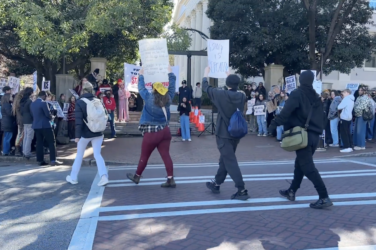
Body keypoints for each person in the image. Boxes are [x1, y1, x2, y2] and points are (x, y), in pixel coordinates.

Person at [268, 70, 332, 209]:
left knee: (308, 168)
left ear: (301, 80)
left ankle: (324, 196)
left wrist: (273, 125)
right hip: (314, 136)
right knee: (300, 165)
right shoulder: (316, 96)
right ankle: (292, 191)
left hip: (302, 135)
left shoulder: (297, 94)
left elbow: (286, 112)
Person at [202, 67, 249, 200]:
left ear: (227, 84)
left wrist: (205, 75)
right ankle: (216, 184)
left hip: (223, 133)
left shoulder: (221, 94)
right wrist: (230, 77)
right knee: (225, 160)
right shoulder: (242, 95)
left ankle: (241, 189)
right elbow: (238, 89)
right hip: (236, 133)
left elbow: (206, 87)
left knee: (230, 161)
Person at [127, 66, 176, 187]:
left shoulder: (149, 98)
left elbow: (141, 88)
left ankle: (137, 176)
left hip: (152, 132)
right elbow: (172, 86)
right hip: (165, 131)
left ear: (154, 89)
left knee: (144, 156)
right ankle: (170, 179)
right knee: (166, 155)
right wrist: (170, 73)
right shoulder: (168, 98)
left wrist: (141, 75)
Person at [66, 81, 109, 187]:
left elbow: (78, 121)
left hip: (85, 133)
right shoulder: (98, 100)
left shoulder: (80, 102)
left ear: (82, 90)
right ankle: (104, 177)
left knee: (79, 155)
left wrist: (76, 136)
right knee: (98, 155)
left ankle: (73, 177)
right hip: (98, 132)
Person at [30, 91, 59, 166]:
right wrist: (53, 117)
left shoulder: (32, 103)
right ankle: (53, 160)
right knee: (51, 142)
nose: (46, 98)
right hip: (45, 125)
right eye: (46, 96)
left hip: (36, 125)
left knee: (39, 143)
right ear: (43, 96)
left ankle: (40, 160)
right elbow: (48, 114)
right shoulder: (43, 103)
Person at [353, 86, 372, 150]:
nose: (359, 91)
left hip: (362, 115)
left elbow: (362, 106)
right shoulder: (358, 97)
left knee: (360, 131)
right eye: (359, 90)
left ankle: (361, 145)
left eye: (361, 90)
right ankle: (357, 144)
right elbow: (355, 105)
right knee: (356, 130)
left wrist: (355, 109)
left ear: (364, 91)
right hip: (357, 115)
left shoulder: (366, 98)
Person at [20, 87, 34, 159]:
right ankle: (27, 152)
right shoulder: (29, 101)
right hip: (30, 120)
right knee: (29, 137)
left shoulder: (22, 101)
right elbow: (32, 112)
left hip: (24, 120)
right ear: (30, 93)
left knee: (25, 136)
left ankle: (24, 151)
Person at [12, 90, 24, 156]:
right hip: (21, 120)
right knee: (20, 135)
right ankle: (18, 149)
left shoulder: (16, 102)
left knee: (19, 134)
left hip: (18, 120)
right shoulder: (20, 102)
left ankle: (17, 148)